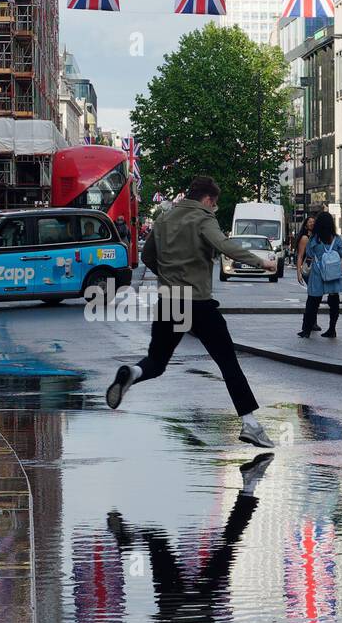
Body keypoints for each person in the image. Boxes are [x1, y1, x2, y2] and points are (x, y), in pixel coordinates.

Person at [105, 175, 276, 448]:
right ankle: (250, 424)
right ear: (208, 199)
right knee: (228, 362)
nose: (214, 209)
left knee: (156, 361)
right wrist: (260, 262)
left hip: (170, 299)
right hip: (198, 302)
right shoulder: (203, 218)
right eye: (215, 204)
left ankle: (132, 373)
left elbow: (148, 256)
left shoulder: (163, 220)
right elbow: (225, 246)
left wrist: (169, 275)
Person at [297, 210, 342, 339]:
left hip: (318, 273)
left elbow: (309, 253)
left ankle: (307, 330)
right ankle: (332, 329)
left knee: (313, 301)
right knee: (334, 302)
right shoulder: (336, 239)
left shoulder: (315, 239)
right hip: (333, 273)